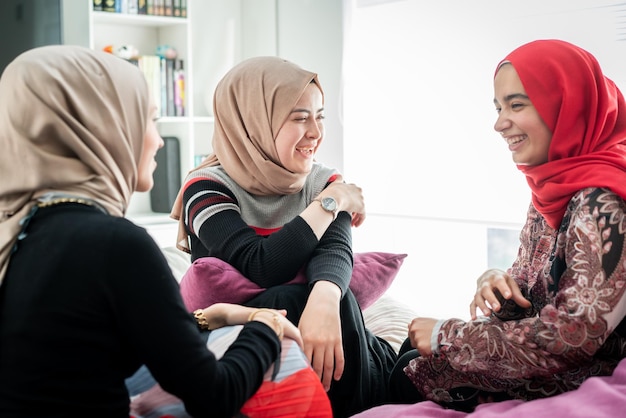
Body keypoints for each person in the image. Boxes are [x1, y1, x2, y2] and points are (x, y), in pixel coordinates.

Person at [0, 45, 312, 418]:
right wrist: (267, 326)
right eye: (148, 120)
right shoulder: (115, 244)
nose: (159, 140)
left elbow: (103, 333)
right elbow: (215, 394)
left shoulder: (18, 235)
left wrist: (217, 316)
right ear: (103, 130)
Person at [388, 39, 626, 412]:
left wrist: (445, 334)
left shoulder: (602, 200)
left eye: (516, 104)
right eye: (499, 107)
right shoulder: (554, 187)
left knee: (408, 369)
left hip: (577, 375)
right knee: (407, 356)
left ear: (566, 103)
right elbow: (532, 290)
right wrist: (496, 281)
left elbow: (574, 336)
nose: (499, 123)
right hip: (541, 362)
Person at [170, 56, 397, 417]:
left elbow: (335, 250)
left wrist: (325, 297)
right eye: (299, 117)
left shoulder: (320, 179)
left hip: (330, 325)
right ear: (254, 122)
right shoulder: (205, 189)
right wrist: (332, 201)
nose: (316, 133)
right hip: (241, 330)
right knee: (285, 294)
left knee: (331, 296)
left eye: (319, 115)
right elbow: (262, 265)